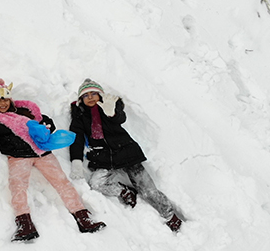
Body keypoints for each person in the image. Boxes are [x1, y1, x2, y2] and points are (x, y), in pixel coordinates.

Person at [0, 78, 105, 241]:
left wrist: (46, 126)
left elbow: (46, 122)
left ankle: (83, 217)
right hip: (18, 157)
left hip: (42, 153)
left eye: (5, 99)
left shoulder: (24, 111)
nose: (3, 103)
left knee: (61, 181)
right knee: (17, 186)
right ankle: (24, 224)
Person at [68, 79, 184, 232]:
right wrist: (76, 160)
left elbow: (120, 119)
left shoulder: (109, 105)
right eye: (86, 95)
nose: (90, 97)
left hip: (126, 152)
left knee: (147, 190)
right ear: (81, 99)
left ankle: (170, 215)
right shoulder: (80, 116)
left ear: (100, 95)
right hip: (103, 157)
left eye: (94, 94)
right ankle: (125, 191)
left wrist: (112, 112)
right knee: (97, 184)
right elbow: (76, 138)